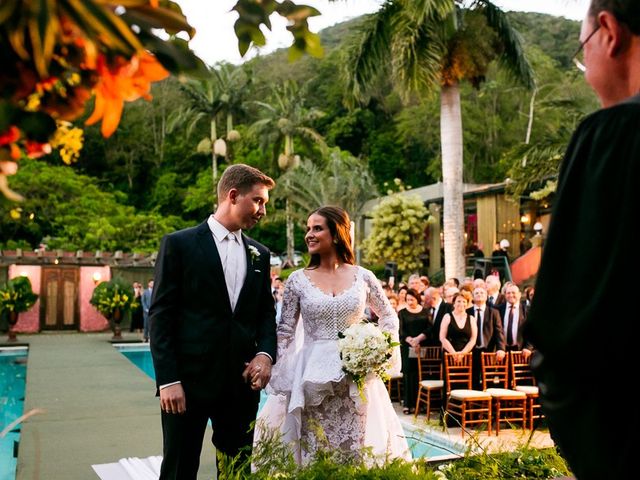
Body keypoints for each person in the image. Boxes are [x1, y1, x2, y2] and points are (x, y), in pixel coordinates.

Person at [526, 2, 640, 478]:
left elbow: (565, 329)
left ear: (609, 32)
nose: (586, 64)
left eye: (582, 48)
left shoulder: (615, 136)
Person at [254, 206, 410, 465]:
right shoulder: (297, 280)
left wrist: (377, 351)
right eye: (308, 229)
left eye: (317, 228)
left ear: (336, 234)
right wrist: (272, 365)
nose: (309, 234)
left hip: (356, 378)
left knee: (356, 450)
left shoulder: (364, 276)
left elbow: (389, 317)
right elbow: (284, 332)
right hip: (311, 377)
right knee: (315, 449)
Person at [149, 164, 277, 479]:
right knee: (180, 468)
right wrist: (168, 380)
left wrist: (265, 354)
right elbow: (161, 316)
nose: (262, 211)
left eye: (264, 204)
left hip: (240, 386)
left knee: (238, 471)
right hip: (186, 385)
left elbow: (265, 315)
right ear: (233, 195)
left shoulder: (260, 253)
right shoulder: (179, 244)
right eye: (258, 201)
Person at [397, 289, 430, 414]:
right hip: (407, 346)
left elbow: (429, 328)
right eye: (408, 300)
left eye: (412, 299)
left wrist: (418, 339)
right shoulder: (402, 313)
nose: (410, 302)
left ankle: (419, 404)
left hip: (421, 346)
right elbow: (401, 330)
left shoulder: (425, 312)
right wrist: (411, 340)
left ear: (417, 299)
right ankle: (407, 403)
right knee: (408, 374)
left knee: (419, 374)